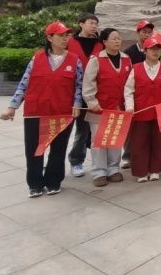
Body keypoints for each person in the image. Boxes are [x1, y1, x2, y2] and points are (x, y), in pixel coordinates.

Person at [0, 21, 83, 197]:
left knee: (58, 149)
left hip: (62, 113)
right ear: (49, 38)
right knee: (33, 149)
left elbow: (79, 85)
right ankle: (35, 184)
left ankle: (54, 181)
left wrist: (77, 104)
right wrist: (12, 107)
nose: (65, 39)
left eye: (67, 35)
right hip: (35, 112)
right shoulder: (37, 58)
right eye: (61, 35)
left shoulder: (74, 60)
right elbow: (24, 83)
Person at [82, 27, 132, 187]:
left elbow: (130, 84)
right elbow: (88, 83)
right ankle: (99, 172)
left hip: (119, 107)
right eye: (113, 38)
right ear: (104, 42)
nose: (117, 41)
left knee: (115, 139)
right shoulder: (96, 60)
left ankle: (113, 169)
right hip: (100, 108)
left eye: (119, 38)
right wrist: (91, 102)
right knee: (99, 141)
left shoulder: (126, 59)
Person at [124, 37, 161, 182]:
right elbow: (128, 90)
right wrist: (129, 106)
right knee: (139, 142)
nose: (156, 52)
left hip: (160, 113)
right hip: (141, 112)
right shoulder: (136, 68)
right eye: (152, 49)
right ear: (145, 51)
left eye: (158, 49)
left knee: (160, 141)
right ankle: (141, 171)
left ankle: (155, 169)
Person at [66, 13, 104, 178]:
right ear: (81, 24)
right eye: (91, 23)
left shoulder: (100, 44)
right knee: (79, 130)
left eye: (96, 23)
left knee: (92, 129)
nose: (94, 26)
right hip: (74, 92)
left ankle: (98, 164)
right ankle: (75, 161)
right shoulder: (70, 42)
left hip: (95, 93)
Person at [121, 20, 154, 169]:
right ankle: (128, 156)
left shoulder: (154, 50)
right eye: (144, 32)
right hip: (134, 96)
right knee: (131, 128)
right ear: (138, 33)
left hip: (150, 96)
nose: (147, 35)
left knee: (147, 129)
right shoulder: (129, 53)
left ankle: (147, 155)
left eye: (149, 32)